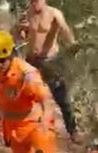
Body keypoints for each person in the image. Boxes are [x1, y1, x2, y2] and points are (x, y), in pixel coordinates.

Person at [15, 0, 81, 143]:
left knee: (62, 98)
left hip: (50, 61)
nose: (35, 4)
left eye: (37, 1)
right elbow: (21, 35)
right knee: (26, 94)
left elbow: (65, 30)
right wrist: (20, 29)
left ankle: (73, 130)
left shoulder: (54, 14)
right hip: (31, 61)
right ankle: (23, 127)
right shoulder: (27, 14)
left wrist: (72, 44)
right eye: (32, 1)